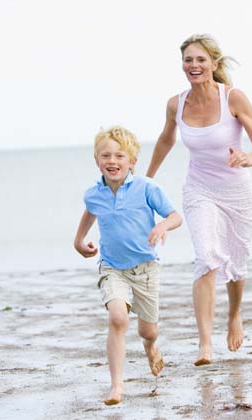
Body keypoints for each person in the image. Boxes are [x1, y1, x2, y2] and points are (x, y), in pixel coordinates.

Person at [146, 34, 252, 366]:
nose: (194, 66)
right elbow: (165, 140)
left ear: (214, 63)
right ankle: (205, 345)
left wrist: (247, 158)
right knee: (206, 258)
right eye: (188, 60)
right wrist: (146, 180)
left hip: (237, 191)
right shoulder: (176, 103)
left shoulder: (234, 98)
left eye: (200, 60)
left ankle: (234, 315)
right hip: (199, 189)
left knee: (237, 263)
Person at [74, 126, 182, 405]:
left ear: (132, 161)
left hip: (146, 268)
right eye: (106, 155)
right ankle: (116, 386)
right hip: (113, 268)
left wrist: (161, 225)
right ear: (97, 160)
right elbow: (91, 212)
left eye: (120, 155)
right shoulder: (93, 193)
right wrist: (79, 239)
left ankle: (150, 346)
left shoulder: (147, 187)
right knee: (117, 318)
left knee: (149, 330)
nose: (113, 161)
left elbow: (175, 216)